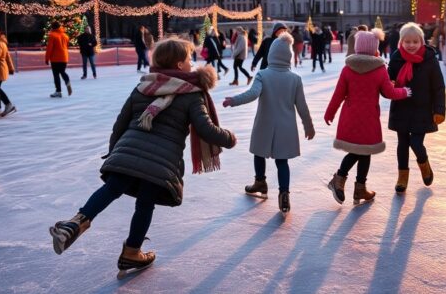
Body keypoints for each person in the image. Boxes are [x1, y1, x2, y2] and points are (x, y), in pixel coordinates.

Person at [48, 38, 236, 277]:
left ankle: (76, 222)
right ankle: (132, 251)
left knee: (112, 188)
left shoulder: (144, 86)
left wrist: (115, 151)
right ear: (179, 64)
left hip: (127, 150)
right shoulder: (192, 94)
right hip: (161, 163)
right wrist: (229, 138)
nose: (192, 62)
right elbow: (206, 129)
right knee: (145, 203)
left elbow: (120, 123)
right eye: (189, 58)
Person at [223, 33, 314, 213]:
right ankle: (284, 193)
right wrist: (309, 126)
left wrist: (233, 100)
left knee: (259, 153)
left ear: (271, 55)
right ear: (288, 57)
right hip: (286, 128)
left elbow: (252, 94)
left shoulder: (263, 75)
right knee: (282, 162)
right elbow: (302, 106)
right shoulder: (295, 79)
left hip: (264, 124)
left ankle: (260, 181)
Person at [325, 30, 411, 205]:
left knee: (359, 151)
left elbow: (338, 95)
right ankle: (347, 182)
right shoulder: (379, 70)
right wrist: (404, 91)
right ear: (374, 49)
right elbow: (389, 92)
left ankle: (350, 184)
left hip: (350, 117)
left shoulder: (347, 69)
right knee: (364, 151)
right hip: (369, 118)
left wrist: (330, 112)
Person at [387, 23, 445, 193]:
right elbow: (388, 83)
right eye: (407, 41)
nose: (411, 45)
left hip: (423, 109)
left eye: (415, 41)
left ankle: (424, 163)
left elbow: (438, 87)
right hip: (401, 107)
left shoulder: (429, 59)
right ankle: (402, 177)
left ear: (421, 41)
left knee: (416, 142)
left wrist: (439, 109)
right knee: (402, 144)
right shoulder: (396, 58)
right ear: (401, 42)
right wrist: (389, 85)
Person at [46, 22, 72, 98]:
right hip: (64, 57)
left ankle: (58, 91)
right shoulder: (65, 36)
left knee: (56, 75)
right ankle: (67, 81)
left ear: (52, 27)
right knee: (62, 71)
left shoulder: (52, 35)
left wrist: (47, 58)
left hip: (55, 58)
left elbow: (49, 48)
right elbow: (66, 46)